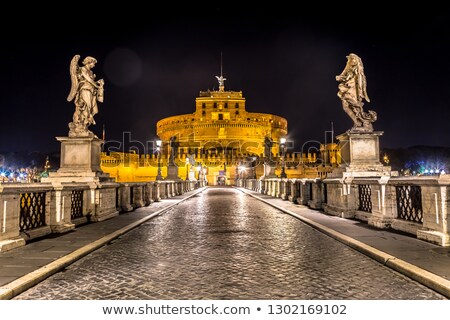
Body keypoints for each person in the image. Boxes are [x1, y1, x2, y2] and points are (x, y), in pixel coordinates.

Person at [336, 53, 376, 131]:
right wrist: (340, 77)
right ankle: (357, 122)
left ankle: (364, 121)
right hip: (347, 88)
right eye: (350, 60)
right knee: (346, 106)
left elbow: (361, 82)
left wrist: (361, 93)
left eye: (353, 60)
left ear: (356, 61)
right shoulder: (349, 69)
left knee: (354, 106)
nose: (351, 61)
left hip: (352, 90)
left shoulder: (358, 70)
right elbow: (343, 76)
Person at [67, 55, 104, 135]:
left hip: (91, 91)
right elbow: (88, 79)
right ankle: (80, 126)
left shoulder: (91, 72)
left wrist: (99, 83)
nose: (93, 65)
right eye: (93, 63)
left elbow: (91, 81)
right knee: (87, 106)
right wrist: (97, 85)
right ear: (89, 62)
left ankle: (84, 126)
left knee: (91, 109)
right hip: (84, 90)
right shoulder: (82, 69)